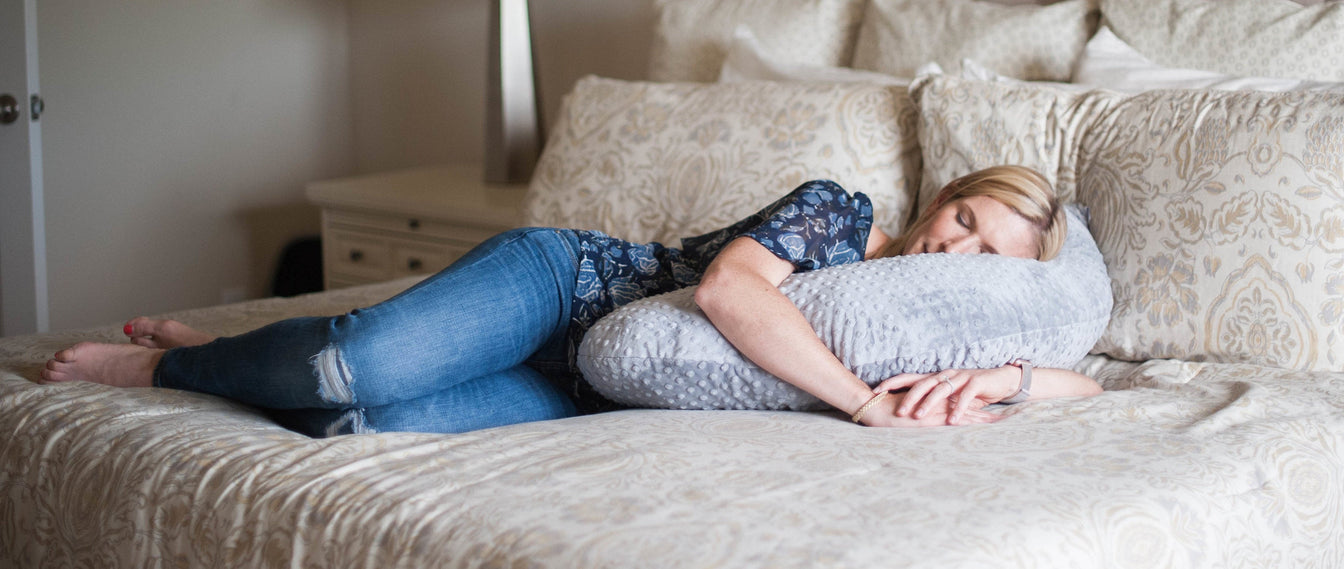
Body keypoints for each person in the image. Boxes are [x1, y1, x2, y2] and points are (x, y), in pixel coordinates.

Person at [41, 165, 1102, 434]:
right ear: (943, 197)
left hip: (595, 391)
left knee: (362, 418)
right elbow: (731, 293)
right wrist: (868, 408)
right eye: (962, 215)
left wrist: (1002, 375)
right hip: (563, 287)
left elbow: (1091, 386)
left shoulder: (940, 322)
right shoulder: (841, 212)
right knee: (351, 362)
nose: (951, 243)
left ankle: (228, 352)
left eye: (985, 251)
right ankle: (166, 361)